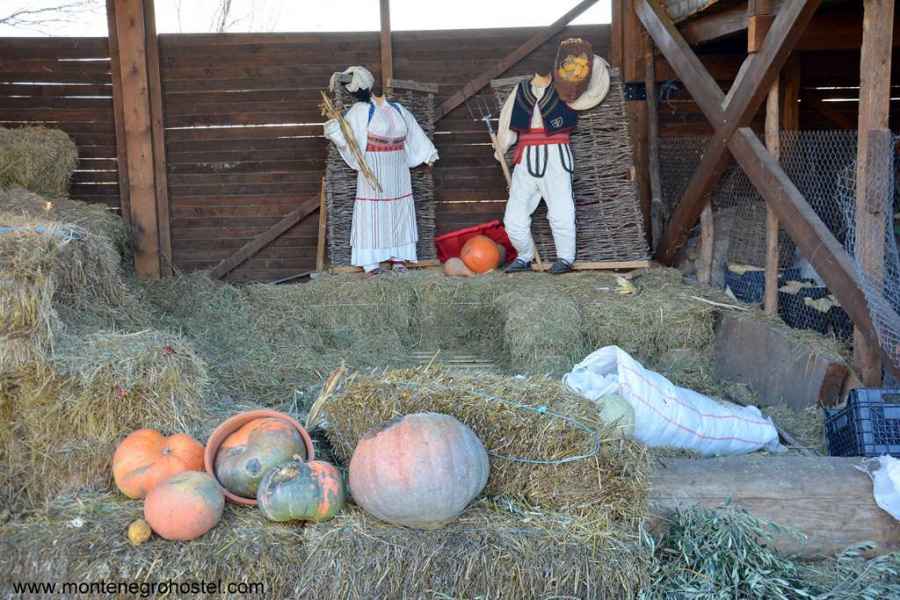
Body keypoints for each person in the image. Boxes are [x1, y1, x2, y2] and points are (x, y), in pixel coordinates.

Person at [495, 38, 610, 274]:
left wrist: (597, 63)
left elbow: (594, 89)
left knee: (561, 210)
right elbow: (507, 121)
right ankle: (524, 257)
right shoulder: (521, 89)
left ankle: (565, 259)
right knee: (514, 216)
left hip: (557, 157)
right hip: (525, 159)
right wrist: (502, 148)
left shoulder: (566, 89)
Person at [324, 66, 439, 276]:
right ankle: (370, 262)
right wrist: (334, 131)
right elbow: (348, 139)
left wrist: (427, 154)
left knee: (398, 210)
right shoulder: (359, 111)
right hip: (373, 167)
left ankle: (398, 257)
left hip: (398, 167)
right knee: (373, 213)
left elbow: (412, 131)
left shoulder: (397, 109)